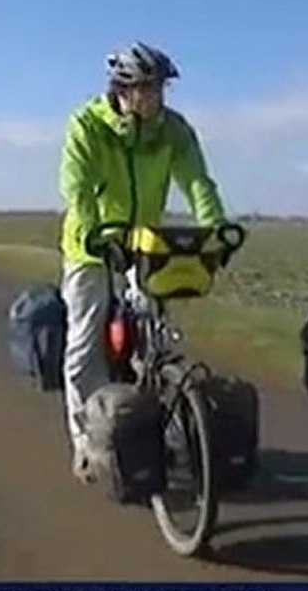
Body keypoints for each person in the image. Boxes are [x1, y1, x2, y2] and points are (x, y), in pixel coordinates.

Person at [58, 41, 227, 483]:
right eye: (147, 90)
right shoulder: (87, 126)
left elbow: (197, 182)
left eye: (160, 90)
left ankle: (165, 430)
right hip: (91, 246)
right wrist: (98, 236)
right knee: (84, 344)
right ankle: (87, 441)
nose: (156, 99)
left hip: (145, 243)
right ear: (123, 90)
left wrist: (215, 228)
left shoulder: (173, 130)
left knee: (155, 337)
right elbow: (77, 191)